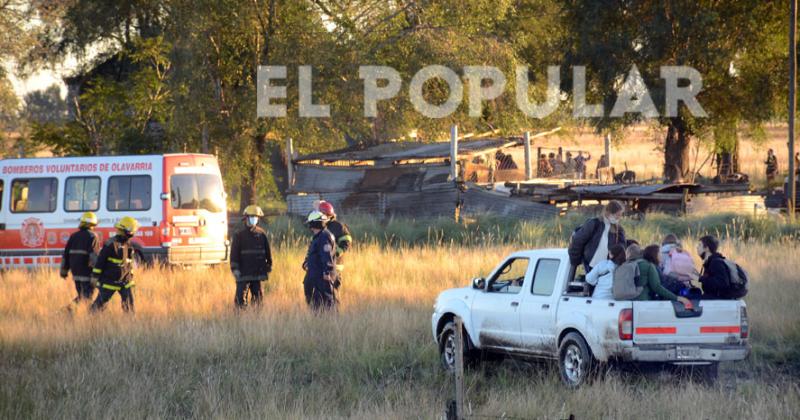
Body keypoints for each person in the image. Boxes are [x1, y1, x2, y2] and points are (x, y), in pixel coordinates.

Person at [90, 216, 141, 313]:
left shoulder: (129, 245)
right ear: (127, 230)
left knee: (129, 306)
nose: (134, 233)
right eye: (133, 230)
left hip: (125, 282)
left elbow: (129, 263)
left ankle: (131, 324)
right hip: (109, 281)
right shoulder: (110, 244)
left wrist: (130, 276)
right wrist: (95, 277)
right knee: (99, 305)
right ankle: (90, 321)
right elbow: (100, 262)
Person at [230, 205, 273, 309]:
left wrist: (268, 266)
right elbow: (234, 255)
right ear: (246, 218)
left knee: (258, 298)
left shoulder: (261, 234)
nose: (254, 219)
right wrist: (235, 269)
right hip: (243, 273)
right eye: (252, 216)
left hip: (257, 273)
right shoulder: (239, 235)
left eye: (256, 217)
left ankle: (256, 319)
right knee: (240, 299)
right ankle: (240, 318)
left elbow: (267, 253)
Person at [568, 200, 627, 272]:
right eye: (617, 215)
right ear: (608, 213)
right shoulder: (594, 224)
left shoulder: (619, 230)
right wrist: (576, 261)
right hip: (590, 266)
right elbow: (577, 240)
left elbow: (622, 248)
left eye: (620, 215)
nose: (619, 218)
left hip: (607, 268)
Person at [60, 211, 100, 306]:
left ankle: (76, 313)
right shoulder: (93, 236)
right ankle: (67, 311)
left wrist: (64, 271)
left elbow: (66, 255)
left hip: (76, 273)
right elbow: (94, 257)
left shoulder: (74, 236)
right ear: (92, 224)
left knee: (82, 296)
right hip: (87, 272)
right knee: (86, 297)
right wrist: (97, 273)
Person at [303, 211, 338, 311]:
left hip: (322, 276)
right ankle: (318, 321)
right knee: (315, 302)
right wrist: (306, 263)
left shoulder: (324, 237)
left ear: (313, 224)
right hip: (315, 275)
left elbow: (326, 256)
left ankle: (327, 321)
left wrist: (327, 272)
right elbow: (314, 254)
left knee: (325, 302)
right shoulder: (318, 237)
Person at [317, 201, 351, 290]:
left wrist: (335, 253)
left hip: (335, 263)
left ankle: (336, 302)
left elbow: (347, 241)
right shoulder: (321, 226)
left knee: (334, 287)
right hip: (323, 263)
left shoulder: (338, 226)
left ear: (327, 214)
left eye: (320, 214)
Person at [697, 235, 735, 299]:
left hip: (718, 302)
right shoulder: (709, 262)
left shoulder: (716, 263)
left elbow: (723, 284)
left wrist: (701, 278)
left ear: (707, 248)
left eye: (699, 245)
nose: (697, 247)